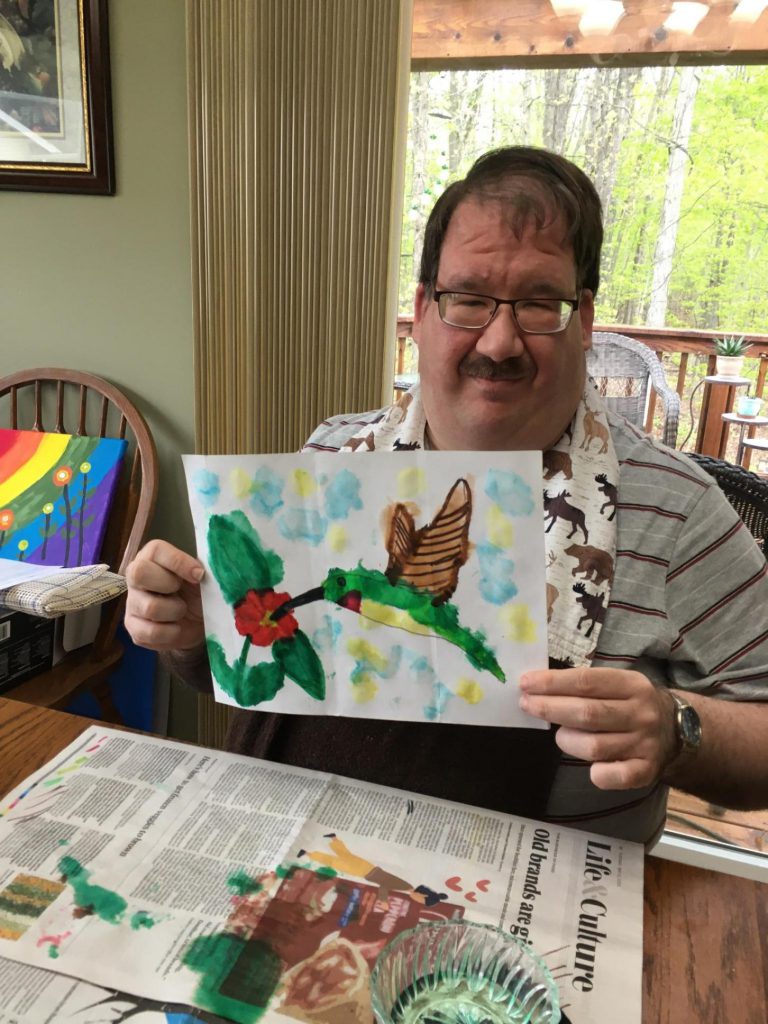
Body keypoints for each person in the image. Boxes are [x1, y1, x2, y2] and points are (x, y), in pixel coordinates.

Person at [125, 146, 768, 845]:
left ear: (583, 318)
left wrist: (677, 729)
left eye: (538, 304)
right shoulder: (326, 462)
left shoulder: (679, 509)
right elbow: (250, 682)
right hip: (287, 857)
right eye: (469, 299)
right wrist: (192, 638)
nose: (500, 341)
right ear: (425, 308)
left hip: (532, 919)